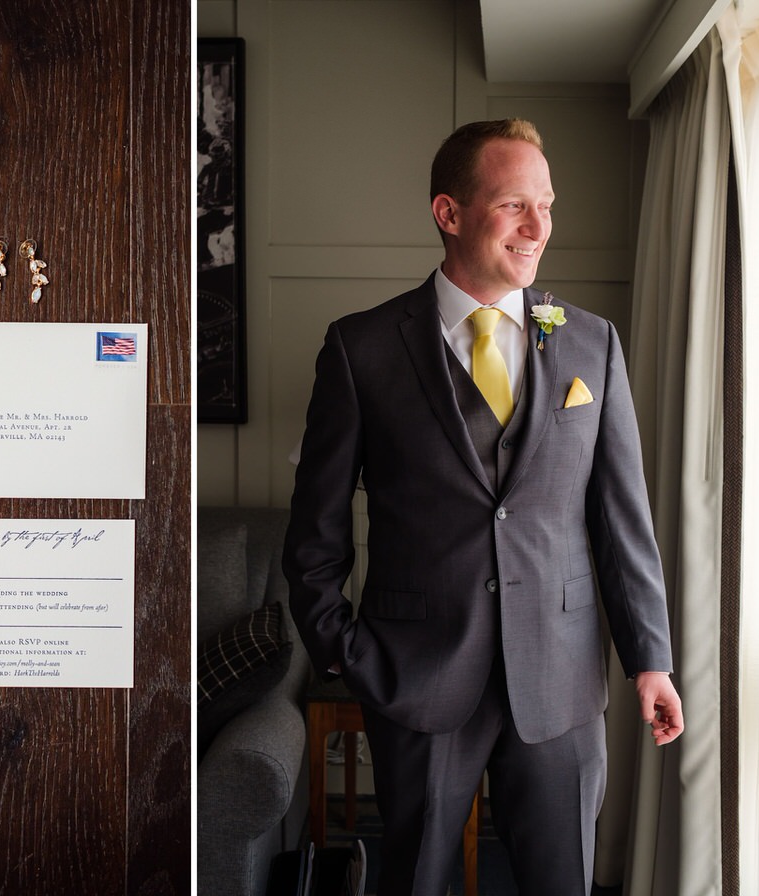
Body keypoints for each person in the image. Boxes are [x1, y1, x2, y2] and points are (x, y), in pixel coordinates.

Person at [282, 119, 683, 896]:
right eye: (513, 206)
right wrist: (341, 650)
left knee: (562, 880)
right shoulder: (360, 350)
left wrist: (651, 657)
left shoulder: (590, 344)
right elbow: (315, 529)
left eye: (548, 205)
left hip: (562, 682)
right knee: (416, 880)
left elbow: (621, 518)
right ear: (449, 212)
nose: (539, 228)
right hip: (416, 674)